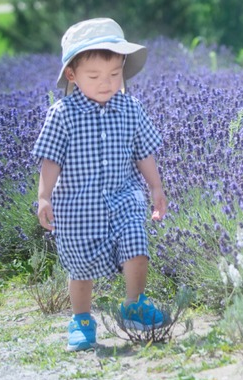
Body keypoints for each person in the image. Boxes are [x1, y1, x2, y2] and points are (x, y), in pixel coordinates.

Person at [33, 17, 168, 351]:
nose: (106, 83)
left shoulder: (130, 108)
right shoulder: (62, 113)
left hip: (124, 196)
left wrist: (155, 188)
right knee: (80, 268)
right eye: (94, 77)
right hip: (78, 205)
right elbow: (51, 159)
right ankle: (81, 320)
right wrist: (44, 198)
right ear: (72, 75)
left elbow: (144, 153)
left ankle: (134, 304)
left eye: (114, 74)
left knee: (137, 244)